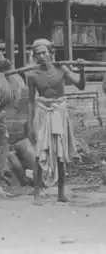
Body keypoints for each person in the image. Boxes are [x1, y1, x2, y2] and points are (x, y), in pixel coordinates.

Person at [27, 38, 83, 205]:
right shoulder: (32, 75)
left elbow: (80, 85)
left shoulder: (61, 68)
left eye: (45, 52)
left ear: (51, 53)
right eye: (38, 54)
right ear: (35, 57)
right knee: (39, 153)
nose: (42, 56)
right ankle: (36, 194)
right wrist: (29, 124)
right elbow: (30, 101)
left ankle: (60, 194)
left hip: (59, 111)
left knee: (61, 154)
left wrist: (82, 69)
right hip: (42, 112)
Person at [7, 122, 37, 186]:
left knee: (10, 156)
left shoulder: (20, 144)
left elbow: (11, 154)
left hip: (34, 179)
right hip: (45, 179)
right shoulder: (40, 143)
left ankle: (23, 180)